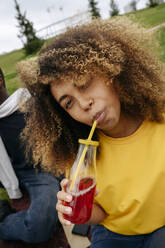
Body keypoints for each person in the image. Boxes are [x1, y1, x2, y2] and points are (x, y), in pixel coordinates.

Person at [17, 17, 165, 248]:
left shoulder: (160, 119)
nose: (84, 104)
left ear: (111, 71)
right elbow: (101, 216)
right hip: (116, 233)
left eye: (84, 83)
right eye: (69, 103)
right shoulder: (81, 154)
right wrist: (78, 211)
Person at [0, 67, 61, 243]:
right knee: (39, 227)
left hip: (59, 159)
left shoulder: (31, 102)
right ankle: (6, 221)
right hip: (35, 174)